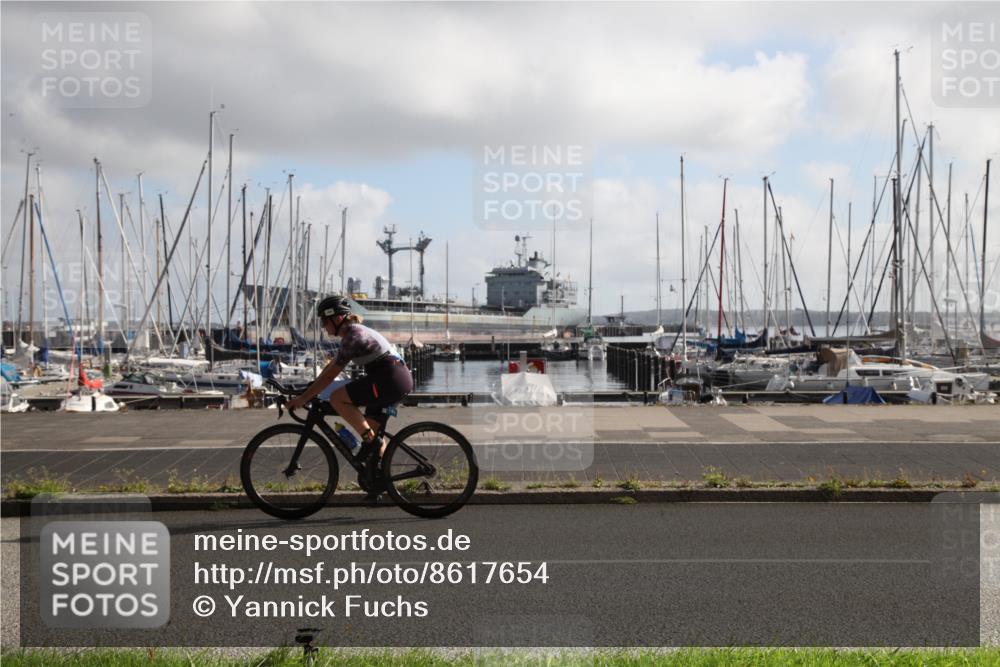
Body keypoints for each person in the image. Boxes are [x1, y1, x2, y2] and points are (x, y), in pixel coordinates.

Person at [287, 295, 413, 458]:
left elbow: (330, 376)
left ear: (338, 318)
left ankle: (370, 442)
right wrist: (310, 388)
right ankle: (381, 478)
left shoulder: (353, 338)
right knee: (372, 439)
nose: (324, 326)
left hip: (390, 379)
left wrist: (303, 398)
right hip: (394, 380)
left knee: (337, 398)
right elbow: (330, 367)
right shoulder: (352, 333)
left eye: (325, 321)